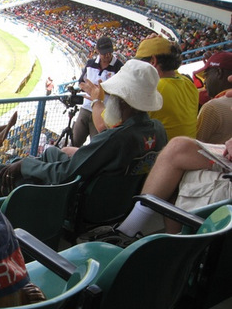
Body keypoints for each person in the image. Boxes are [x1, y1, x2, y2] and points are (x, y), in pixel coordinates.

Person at [80, 74, 232, 244]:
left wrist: (96, 101)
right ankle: (166, 241)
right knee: (178, 149)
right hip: (153, 155)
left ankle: (135, 232)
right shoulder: (186, 87)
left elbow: (103, 127)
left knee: (179, 163)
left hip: (127, 162)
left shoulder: (165, 90)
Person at [0, 59, 168, 197]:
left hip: (81, 201)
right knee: (51, 153)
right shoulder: (158, 131)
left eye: (111, 95)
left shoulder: (116, 138)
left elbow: (64, 175)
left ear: (122, 101)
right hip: (118, 202)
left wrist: (25, 164)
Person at [134, 35, 199, 140]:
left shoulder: (153, 90)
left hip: (160, 155)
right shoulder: (188, 83)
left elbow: (105, 125)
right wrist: (150, 45)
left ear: (153, 62)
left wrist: (97, 101)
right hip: (185, 152)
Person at [71, 36, 123, 147]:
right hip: (86, 108)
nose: (107, 56)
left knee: (96, 145)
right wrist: (90, 89)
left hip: (103, 112)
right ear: (98, 51)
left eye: (109, 52)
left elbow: (120, 89)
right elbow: (81, 82)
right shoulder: (90, 64)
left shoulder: (119, 67)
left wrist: (101, 91)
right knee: (75, 140)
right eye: (104, 53)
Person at [194, 51, 232, 144]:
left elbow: (196, 145)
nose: (205, 82)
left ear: (219, 73)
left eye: (206, 76)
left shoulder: (212, 108)